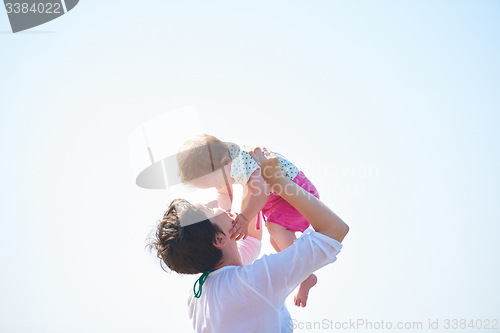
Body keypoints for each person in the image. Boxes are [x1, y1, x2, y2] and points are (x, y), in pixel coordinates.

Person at [148, 147, 349, 332]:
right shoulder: (253, 282)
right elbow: (335, 230)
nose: (212, 201)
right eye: (208, 210)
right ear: (219, 239)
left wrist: (249, 181)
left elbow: (251, 240)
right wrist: (278, 182)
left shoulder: (197, 299)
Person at [177, 134, 321, 307]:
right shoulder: (226, 163)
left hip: (295, 192)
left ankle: (305, 272)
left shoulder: (242, 163)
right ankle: (305, 274)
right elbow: (224, 194)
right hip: (279, 198)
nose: (217, 187)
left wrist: (244, 218)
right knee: (276, 241)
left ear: (225, 164)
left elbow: (260, 192)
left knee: (275, 228)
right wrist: (221, 215)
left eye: (215, 183)